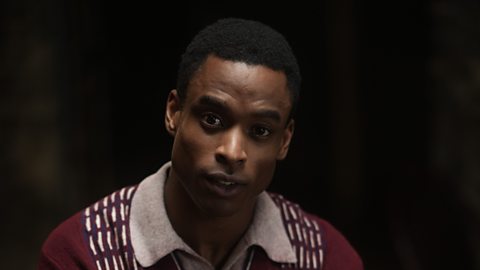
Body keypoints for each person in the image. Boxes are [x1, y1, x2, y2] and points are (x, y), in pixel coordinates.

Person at [38, 18, 363, 270]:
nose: (232, 152)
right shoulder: (82, 255)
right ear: (174, 113)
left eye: (261, 131)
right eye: (212, 120)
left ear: (285, 141)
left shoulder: (323, 258)